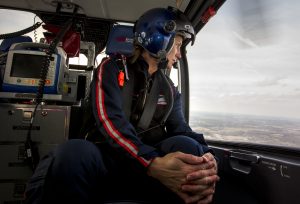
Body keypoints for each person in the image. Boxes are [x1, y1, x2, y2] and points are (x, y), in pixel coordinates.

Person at [25, 7, 219, 204]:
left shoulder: (168, 89)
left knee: (188, 147)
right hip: (106, 159)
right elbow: (110, 122)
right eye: (177, 45)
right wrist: (150, 161)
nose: (178, 54)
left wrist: (207, 156)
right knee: (73, 152)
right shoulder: (111, 68)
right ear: (159, 39)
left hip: (145, 166)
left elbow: (182, 129)